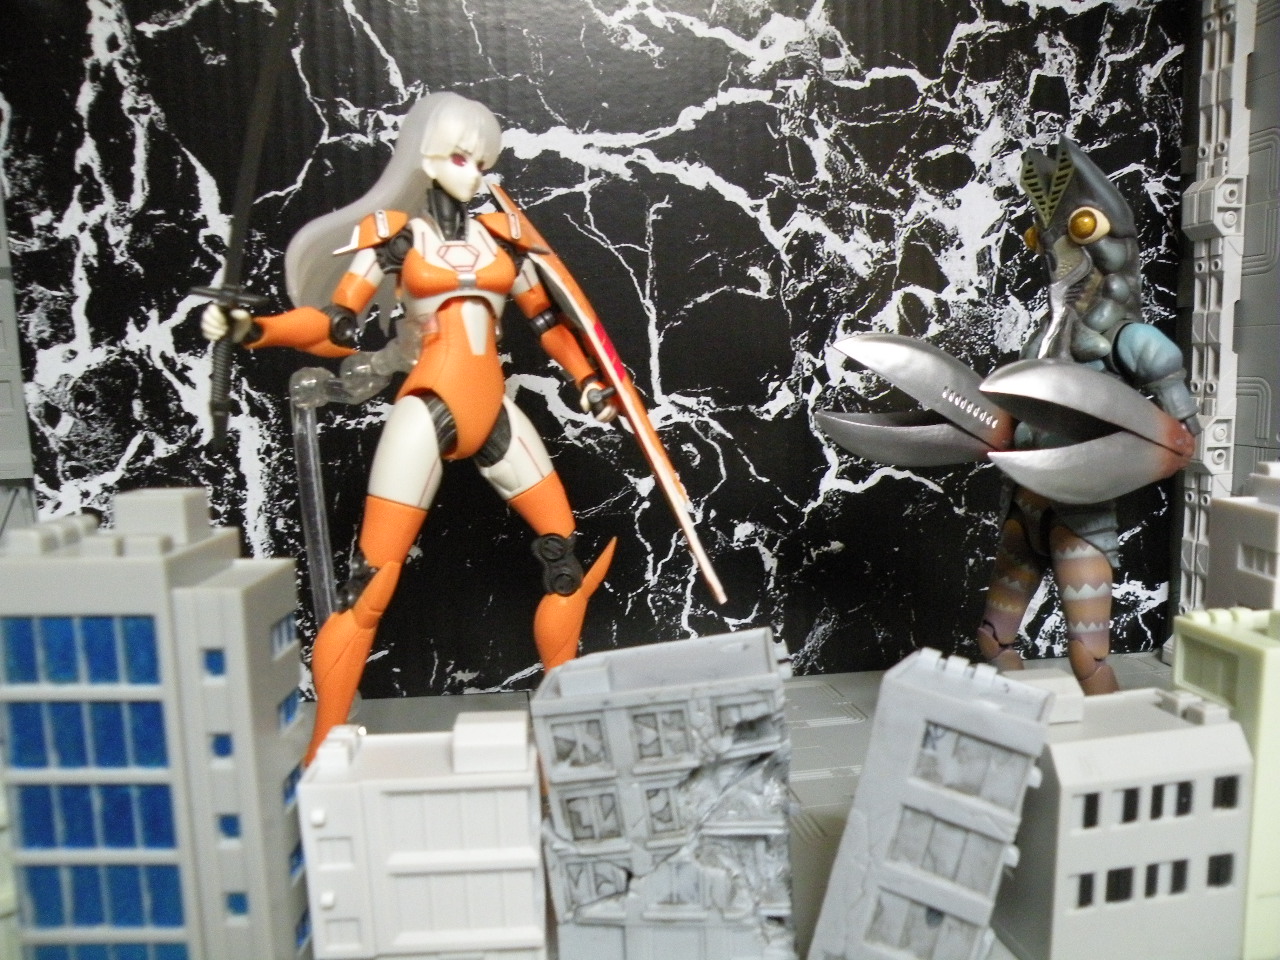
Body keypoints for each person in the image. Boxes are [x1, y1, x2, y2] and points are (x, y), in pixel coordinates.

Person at [203, 92, 620, 762]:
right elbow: (335, 328)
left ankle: (563, 735)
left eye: (482, 161)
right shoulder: (396, 235)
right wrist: (255, 330)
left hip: (492, 411)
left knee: (562, 557)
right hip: (428, 407)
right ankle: (323, 745)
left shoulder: (504, 238)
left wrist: (590, 382)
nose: (473, 172)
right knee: (369, 584)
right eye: (459, 157)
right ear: (425, 158)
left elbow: (550, 325)